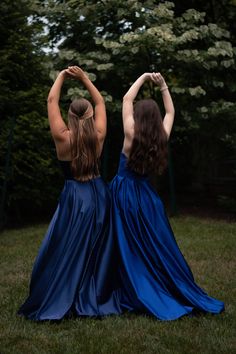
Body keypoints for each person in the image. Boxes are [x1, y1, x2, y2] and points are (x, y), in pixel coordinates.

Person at [110, 72, 225, 320]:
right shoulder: (162, 136)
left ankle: (130, 282)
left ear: (138, 116)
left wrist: (140, 78)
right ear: (156, 118)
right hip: (147, 197)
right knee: (153, 244)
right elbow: (171, 113)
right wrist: (163, 87)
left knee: (125, 241)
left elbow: (126, 99)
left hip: (123, 193)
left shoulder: (130, 131)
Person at [18, 66, 121, 320]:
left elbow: (51, 99)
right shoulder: (98, 135)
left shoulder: (62, 137)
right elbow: (99, 101)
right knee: (97, 249)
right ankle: (94, 293)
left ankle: (64, 291)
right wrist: (85, 78)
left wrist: (62, 76)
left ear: (70, 116)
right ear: (89, 116)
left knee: (66, 246)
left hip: (75, 197)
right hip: (98, 195)